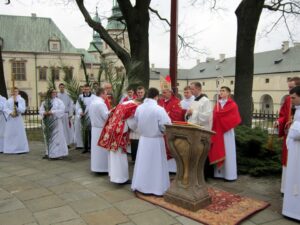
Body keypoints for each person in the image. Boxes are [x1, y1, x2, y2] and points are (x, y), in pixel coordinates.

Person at [131, 87, 171, 196]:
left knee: (143, 164)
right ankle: (157, 188)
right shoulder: (159, 109)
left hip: (144, 140)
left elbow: (135, 123)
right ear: (156, 97)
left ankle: (141, 185)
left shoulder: (140, 108)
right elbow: (166, 125)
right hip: (156, 141)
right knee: (156, 165)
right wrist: (162, 132)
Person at [98, 98, 140, 183]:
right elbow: (132, 124)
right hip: (119, 133)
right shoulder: (133, 107)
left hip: (112, 130)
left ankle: (113, 175)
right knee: (120, 156)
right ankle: (120, 178)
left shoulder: (122, 104)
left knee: (112, 154)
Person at [209, 86, 241, 181]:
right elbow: (214, 116)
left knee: (228, 151)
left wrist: (220, 117)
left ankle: (229, 175)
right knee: (219, 149)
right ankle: (219, 174)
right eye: (220, 91)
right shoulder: (217, 104)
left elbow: (233, 118)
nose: (221, 92)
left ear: (228, 93)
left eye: (223, 91)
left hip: (227, 131)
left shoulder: (233, 105)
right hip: (218, 132)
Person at [275, 76, 300, 193]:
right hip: (289, 135)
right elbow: (283, 115)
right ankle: (285, 188)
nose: (289, 90)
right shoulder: (289, 99)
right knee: (287, 159)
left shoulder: (296, 99)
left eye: (292, 87)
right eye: (288, 87)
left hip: (297, 135)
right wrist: (279, 122)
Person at [282, 85, 300, 221]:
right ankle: (291, 209)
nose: (291, 100)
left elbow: (298, 131)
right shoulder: (298, 110)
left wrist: (293, 128)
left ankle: (295, 210)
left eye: (293, 98)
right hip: (295, 149)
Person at [158, 88, 184, 173]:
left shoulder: (176, 102)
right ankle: (163, 167)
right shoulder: (160, 101)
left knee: (171, 147)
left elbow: (178, 115)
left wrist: (166, 116)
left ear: (170, 92)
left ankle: (172, 169)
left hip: (171, 129)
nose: (163, 94)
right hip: (161, 130)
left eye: (165, 92)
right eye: (162, 92)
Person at [39, 88, 68, 159]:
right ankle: (48, 152)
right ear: (49, 93)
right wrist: (44, 113)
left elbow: (62, 110)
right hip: (47, 122)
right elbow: (41, 111)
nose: (54, 93)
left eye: (55, 92)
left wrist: (52, 112)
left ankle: (57, 154)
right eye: (52, 92)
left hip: (56, 122)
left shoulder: (59, 101)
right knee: (48, 137)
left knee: (57, 138)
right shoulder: (44, 102)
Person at [89, 88, 110, 173]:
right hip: (101, 129)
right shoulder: (101, 104)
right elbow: (105, 117)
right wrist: (111, 112)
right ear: (101, 94)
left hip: (94, 129)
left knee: (95, 150)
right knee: (101, 150)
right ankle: (103, 168)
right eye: (105, 94)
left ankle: (96, 167)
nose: (106, 96)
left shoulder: (92, 102)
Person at [3, 87, 29, 154]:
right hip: (11, 119)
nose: (14, 92)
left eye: (16, 91)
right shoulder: (8, 100)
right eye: (13, 91)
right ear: (11, 92)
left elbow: (23, 109)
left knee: (19, 133)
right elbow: (5, 108)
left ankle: (20, 148)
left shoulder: (21, 100)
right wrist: (11, 113)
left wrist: (17, 105)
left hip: (18, 119)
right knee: (11, 133)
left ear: (18, 92)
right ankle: (10, 149)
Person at [75, 84, 95, 153]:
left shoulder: (93, 97)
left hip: (91, 116)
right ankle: (85, 148)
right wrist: (80, 112)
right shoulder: (80, 97)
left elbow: (94, 105)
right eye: (85, 89)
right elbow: (77, 106)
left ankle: (91, 147)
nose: (86, 90)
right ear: (83, 89)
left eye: (87, 89)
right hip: (83, 116)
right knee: (85, 132)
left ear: (90, 89)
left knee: (91, 133)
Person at [130, 86, 146, 162]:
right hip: (134, 124)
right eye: (138, 92)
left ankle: (141, 158)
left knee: (142, 142)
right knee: (134, 141)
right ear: (136, 93)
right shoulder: (133, 101)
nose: (140, 94)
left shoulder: (146, 101)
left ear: (144, 92)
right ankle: (134, 159)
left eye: (141, 92)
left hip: (143, 124)